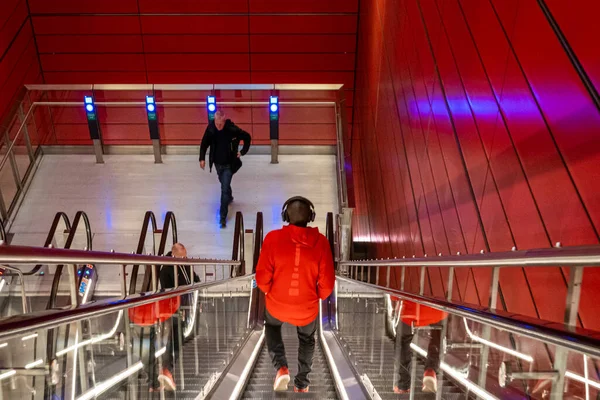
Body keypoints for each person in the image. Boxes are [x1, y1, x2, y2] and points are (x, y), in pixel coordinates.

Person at [255, 196, 335, 393]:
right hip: (306, 309)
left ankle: (281, 367)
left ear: (285, 215)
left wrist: (269, 291)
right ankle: (302, 383)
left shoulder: (272, 239)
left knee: (272, 327)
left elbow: (262, 277)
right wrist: (315, 296)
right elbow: (327, 285)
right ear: (311, 217)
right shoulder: (322, 243)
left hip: (277, 305)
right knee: (307, 339)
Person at [155, 243, 200, 391]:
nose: (185, 259)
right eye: (182, 257)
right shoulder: (166, 269)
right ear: (174, 255)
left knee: (175, 338)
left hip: (184, 307)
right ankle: (166, 370)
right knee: (174, 338)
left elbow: (195, 279)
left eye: (186, 256)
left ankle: (165, 372)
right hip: (172, 309)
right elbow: (167, 290)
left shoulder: (185, 265)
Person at [199, 110, 252, 229]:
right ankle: (230, 196)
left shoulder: (232, 130)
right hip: (217, 164)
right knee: (224, 183)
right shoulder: (211, 129)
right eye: (216, 123)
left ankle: (222, 217)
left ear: (224, 121)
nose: (218, 126)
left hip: (229, 164)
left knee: (223, 188)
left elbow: (247, 137)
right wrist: (201, 158)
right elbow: (204, 144)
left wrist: (242, 152)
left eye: (220, 124)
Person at [392, 298, 447, 394]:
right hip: (438, 311)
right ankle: (431, 370)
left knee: (402, 341)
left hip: (411, 313)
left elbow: (394, 295)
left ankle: (403, 385)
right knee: (438, 335)